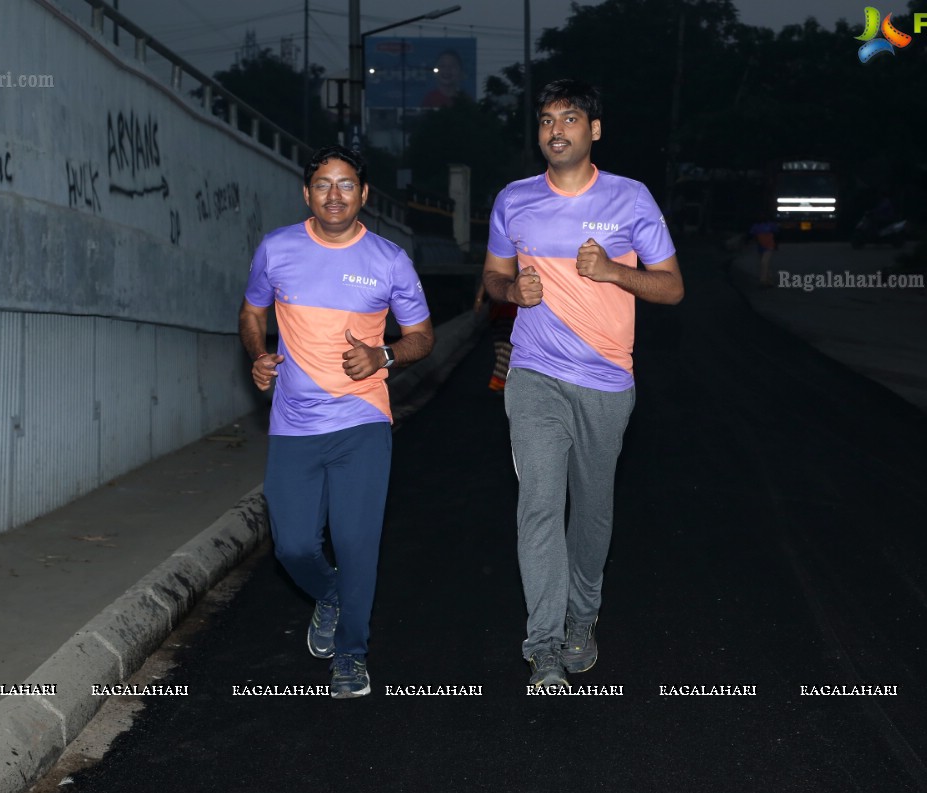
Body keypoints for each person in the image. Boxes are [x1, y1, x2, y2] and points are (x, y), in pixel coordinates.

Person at [482, 79, 683, 686]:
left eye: (569, 119)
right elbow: (491, 279)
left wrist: (617, 272)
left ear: (594, 130)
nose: (556, 130)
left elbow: (671, 287)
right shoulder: (513, 200)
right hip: (534, 373)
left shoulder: (631, 199)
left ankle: (581, 619)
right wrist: (512, 291)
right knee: (538, 506)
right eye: (546, 120)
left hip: (606, 381)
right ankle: (543, 642)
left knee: (591, 513)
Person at [239, 145, 434, 699]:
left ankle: (351, 656)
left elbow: (422, 336)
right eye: (323, 184)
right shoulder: (277, 249)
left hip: (361, 421)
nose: (334, 195)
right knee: (293, 547)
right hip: (294, 425)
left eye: (346, 184)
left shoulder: (389, 259)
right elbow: (253, 310)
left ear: (363, 194)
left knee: (355, 544)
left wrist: (384, 356)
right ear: (307, 194)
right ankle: (330, 595)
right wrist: (258, 353)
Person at [748, 219, 779, 287]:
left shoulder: (770, 225)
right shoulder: (756, 226)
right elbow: (753, 235)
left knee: (764, 262)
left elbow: (776, 235)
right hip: (761, 246)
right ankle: (769, 280)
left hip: (769, 246)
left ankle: (763, 280)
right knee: (765, 263)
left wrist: (775, 244)